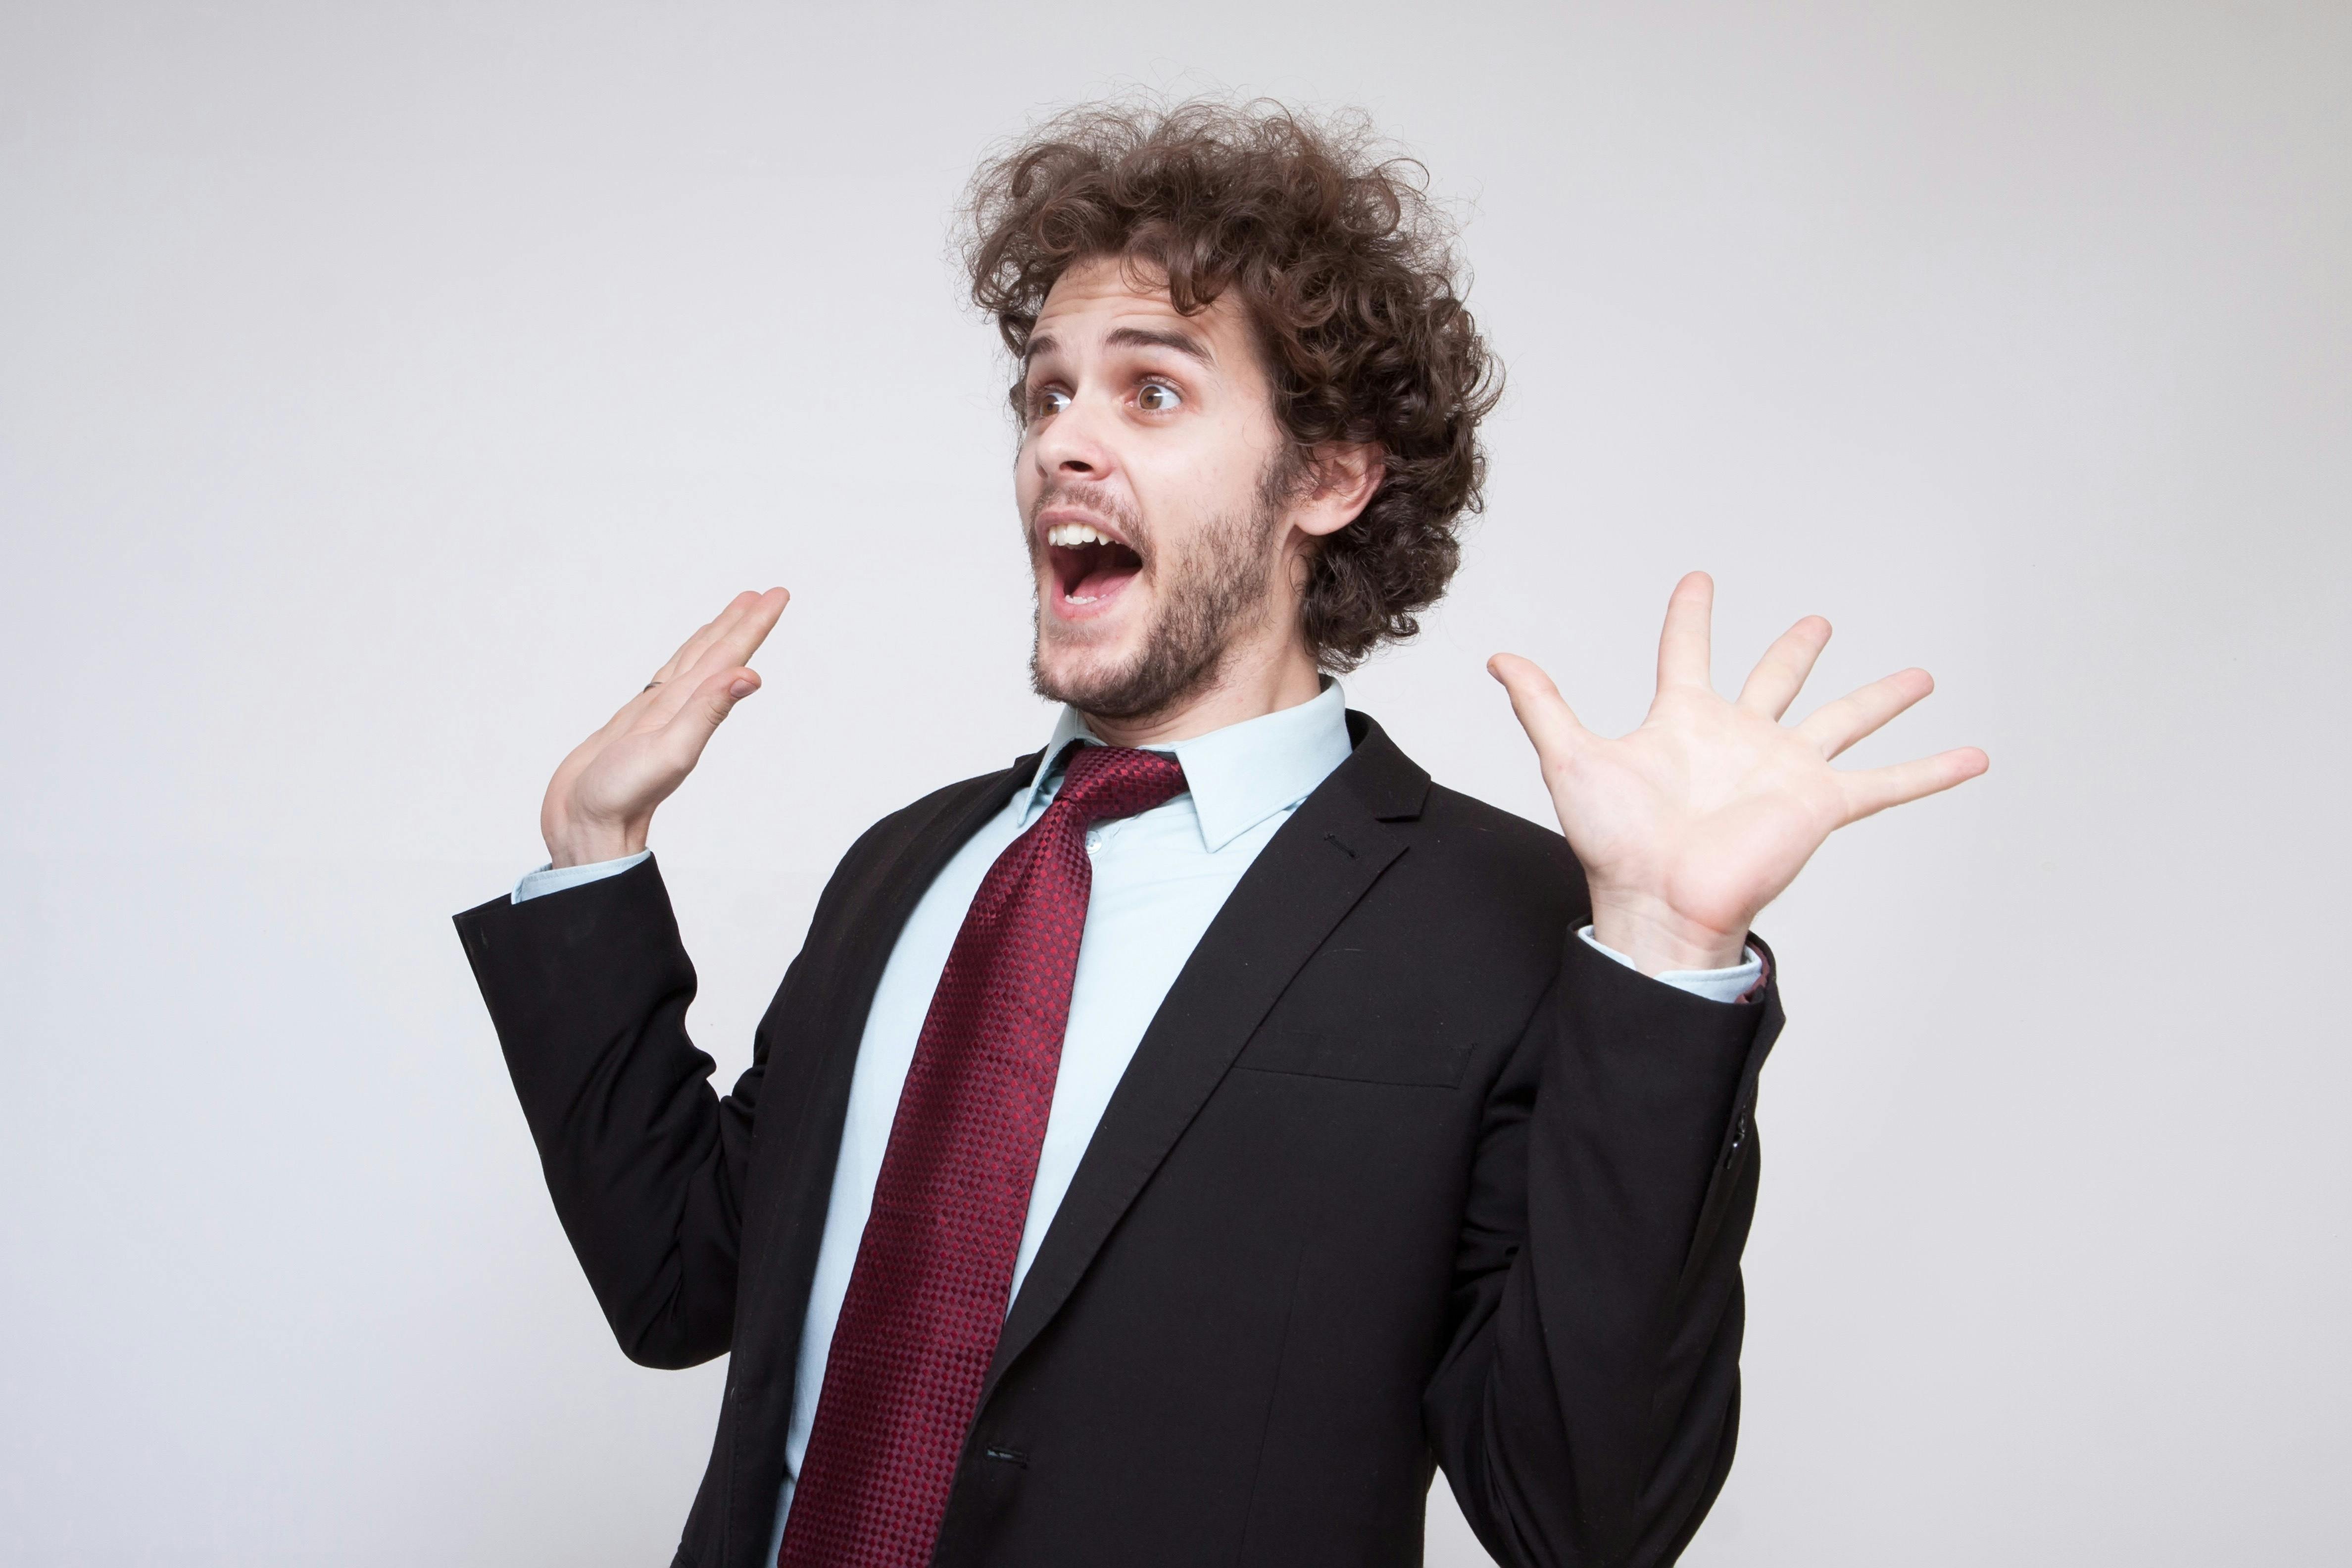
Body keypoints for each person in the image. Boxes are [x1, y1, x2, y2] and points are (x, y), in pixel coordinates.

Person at [454, 100, 1984, 1568]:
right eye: (1046, 392)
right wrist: (591, 851)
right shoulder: (905, 868)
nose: (1063, 440)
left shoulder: (1503, 921)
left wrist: (1665, 952)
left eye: (1153, 391)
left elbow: (1581, 1520)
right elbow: (682, 1281)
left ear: (1328, 476)